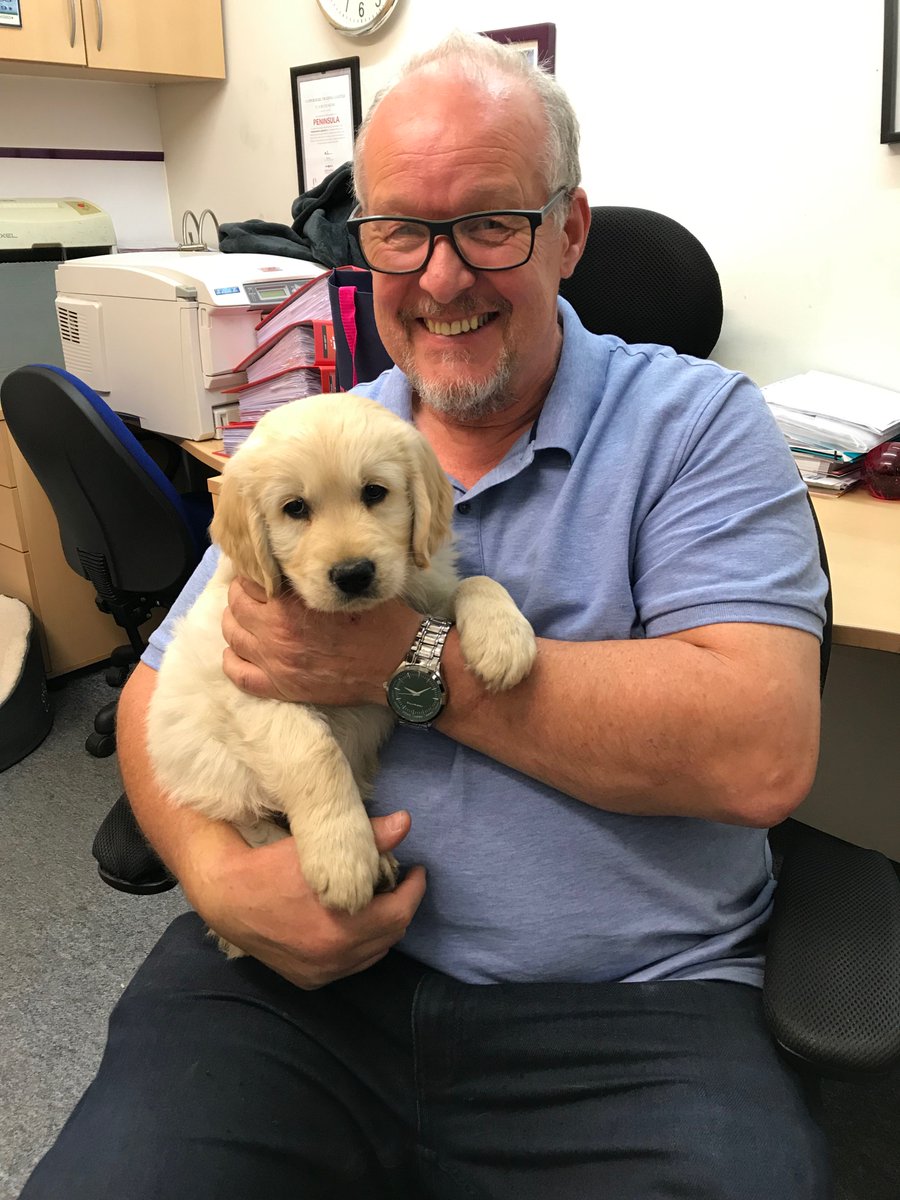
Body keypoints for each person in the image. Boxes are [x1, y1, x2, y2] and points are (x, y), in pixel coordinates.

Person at [21, 29, 832, 1200]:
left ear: (570, 230)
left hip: (630, 1011)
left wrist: (400, 660)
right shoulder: (319, 436)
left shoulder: (701, 426)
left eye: (491, 223)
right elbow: (158, 692)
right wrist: (211, 874)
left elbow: (760, 753)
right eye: (400, 230)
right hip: (297, 986)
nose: (441, 279)